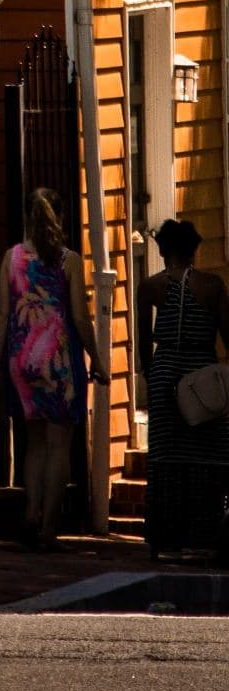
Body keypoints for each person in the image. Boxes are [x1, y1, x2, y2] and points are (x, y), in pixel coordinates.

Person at [0, 187, 99, 549]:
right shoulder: (68, 261)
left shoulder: (12, 258)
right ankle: (48, 529)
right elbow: (80, 318)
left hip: (20, 359)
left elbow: (3, 313)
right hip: (58, 360)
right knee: (59, 446)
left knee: (33, 443)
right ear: (61, 217)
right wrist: (96, 357)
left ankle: (29, 513)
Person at [141, 216, 229, 559]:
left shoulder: (151, 286)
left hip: (165, 371)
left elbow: (143, 343)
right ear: (193, 250)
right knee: (210, 454)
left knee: (165, 457)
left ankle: (165, 534)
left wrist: (154, 376)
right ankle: (206, 531)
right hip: (201, 374)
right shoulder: (213, 286)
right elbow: (227, 334)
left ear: (163, 250)